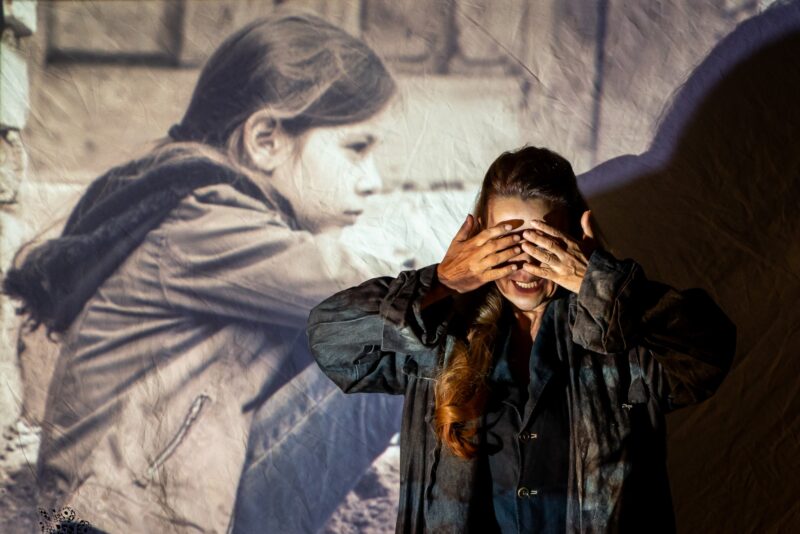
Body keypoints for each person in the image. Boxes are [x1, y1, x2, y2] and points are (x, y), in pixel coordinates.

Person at [3, 12, 406, 534]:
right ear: (265, 139)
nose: (372, 181)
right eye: (357, 149)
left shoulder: (207, 213)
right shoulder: (204, 222)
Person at [306, 145, 737, 533]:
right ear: (479, 239)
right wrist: (442, 281)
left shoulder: (621, 336)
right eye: (508, 242)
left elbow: (709, 354)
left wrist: (600, 285)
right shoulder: (439, 333)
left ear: (574, 238)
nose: (525, 266)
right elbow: (331, 342)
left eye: (542, 243)